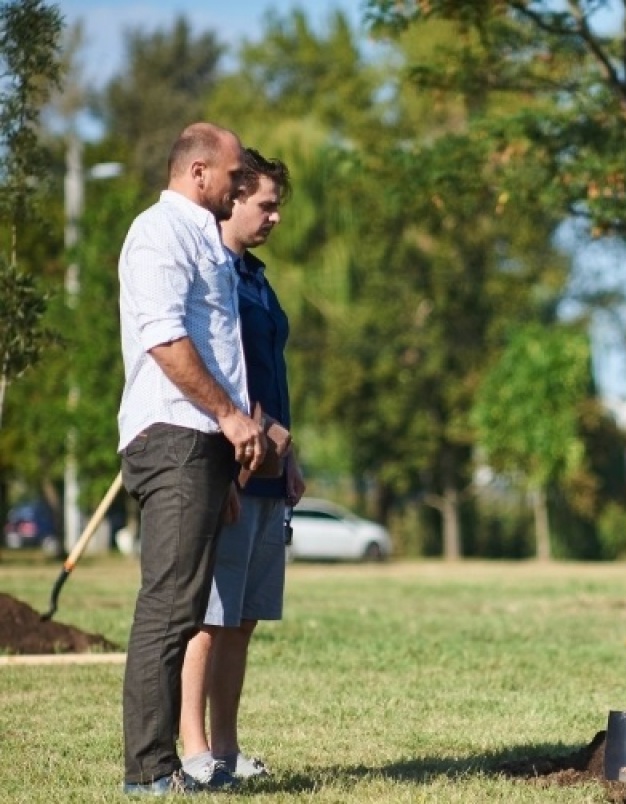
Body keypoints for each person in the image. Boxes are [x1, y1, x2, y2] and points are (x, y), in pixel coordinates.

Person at [117, 122, 266, 795]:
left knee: (184, 605)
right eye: (234, 176)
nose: (240, 187)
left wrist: (221, 460)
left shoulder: (203, 237)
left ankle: (163, 765)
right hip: (173, 438)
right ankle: (149, 771)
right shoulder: (160, 232)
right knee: (170, 608)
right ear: (199, 171)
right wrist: (229, 417)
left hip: (199, 447)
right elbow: (166, 339)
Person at [178, 148, 304, 787]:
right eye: (267, 204)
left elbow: (270, 376)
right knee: (210, 616)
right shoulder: (215, 279)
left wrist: (291, 453)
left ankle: (225, 751)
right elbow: (219, 374)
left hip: (269, 472)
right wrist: (231, 463)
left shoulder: (257, 278)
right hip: (230, 463)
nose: (276, 216)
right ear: (233, 199)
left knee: (244, 617)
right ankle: (193, 749)